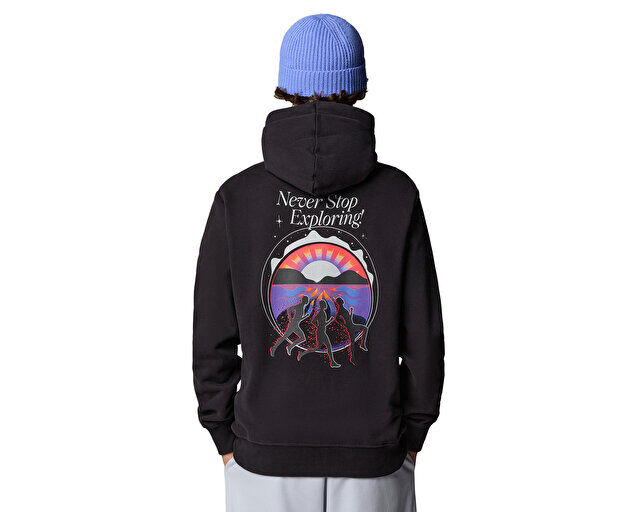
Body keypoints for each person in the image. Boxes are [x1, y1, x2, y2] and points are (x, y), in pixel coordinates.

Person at [193, 14, 444, 512]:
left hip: (264, 459)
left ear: (283, 85)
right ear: (359, 85)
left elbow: (211, 334)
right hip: (375, 457)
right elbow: (424, 336)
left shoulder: (238, 197)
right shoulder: (398, 196)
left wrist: (222, 432)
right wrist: (413, 433)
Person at [297, 299, 341, 368]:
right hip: (321, 332)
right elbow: (315, 322)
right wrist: (328, 322)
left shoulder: (322, 312)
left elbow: (317, 323)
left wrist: (322, 324)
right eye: (324, 304)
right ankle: (302, 353)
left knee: (323, 347)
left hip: (321, 331)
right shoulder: (321, 313)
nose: (326, 305)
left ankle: (332, 362)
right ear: (322, 305)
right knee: (322, 347)